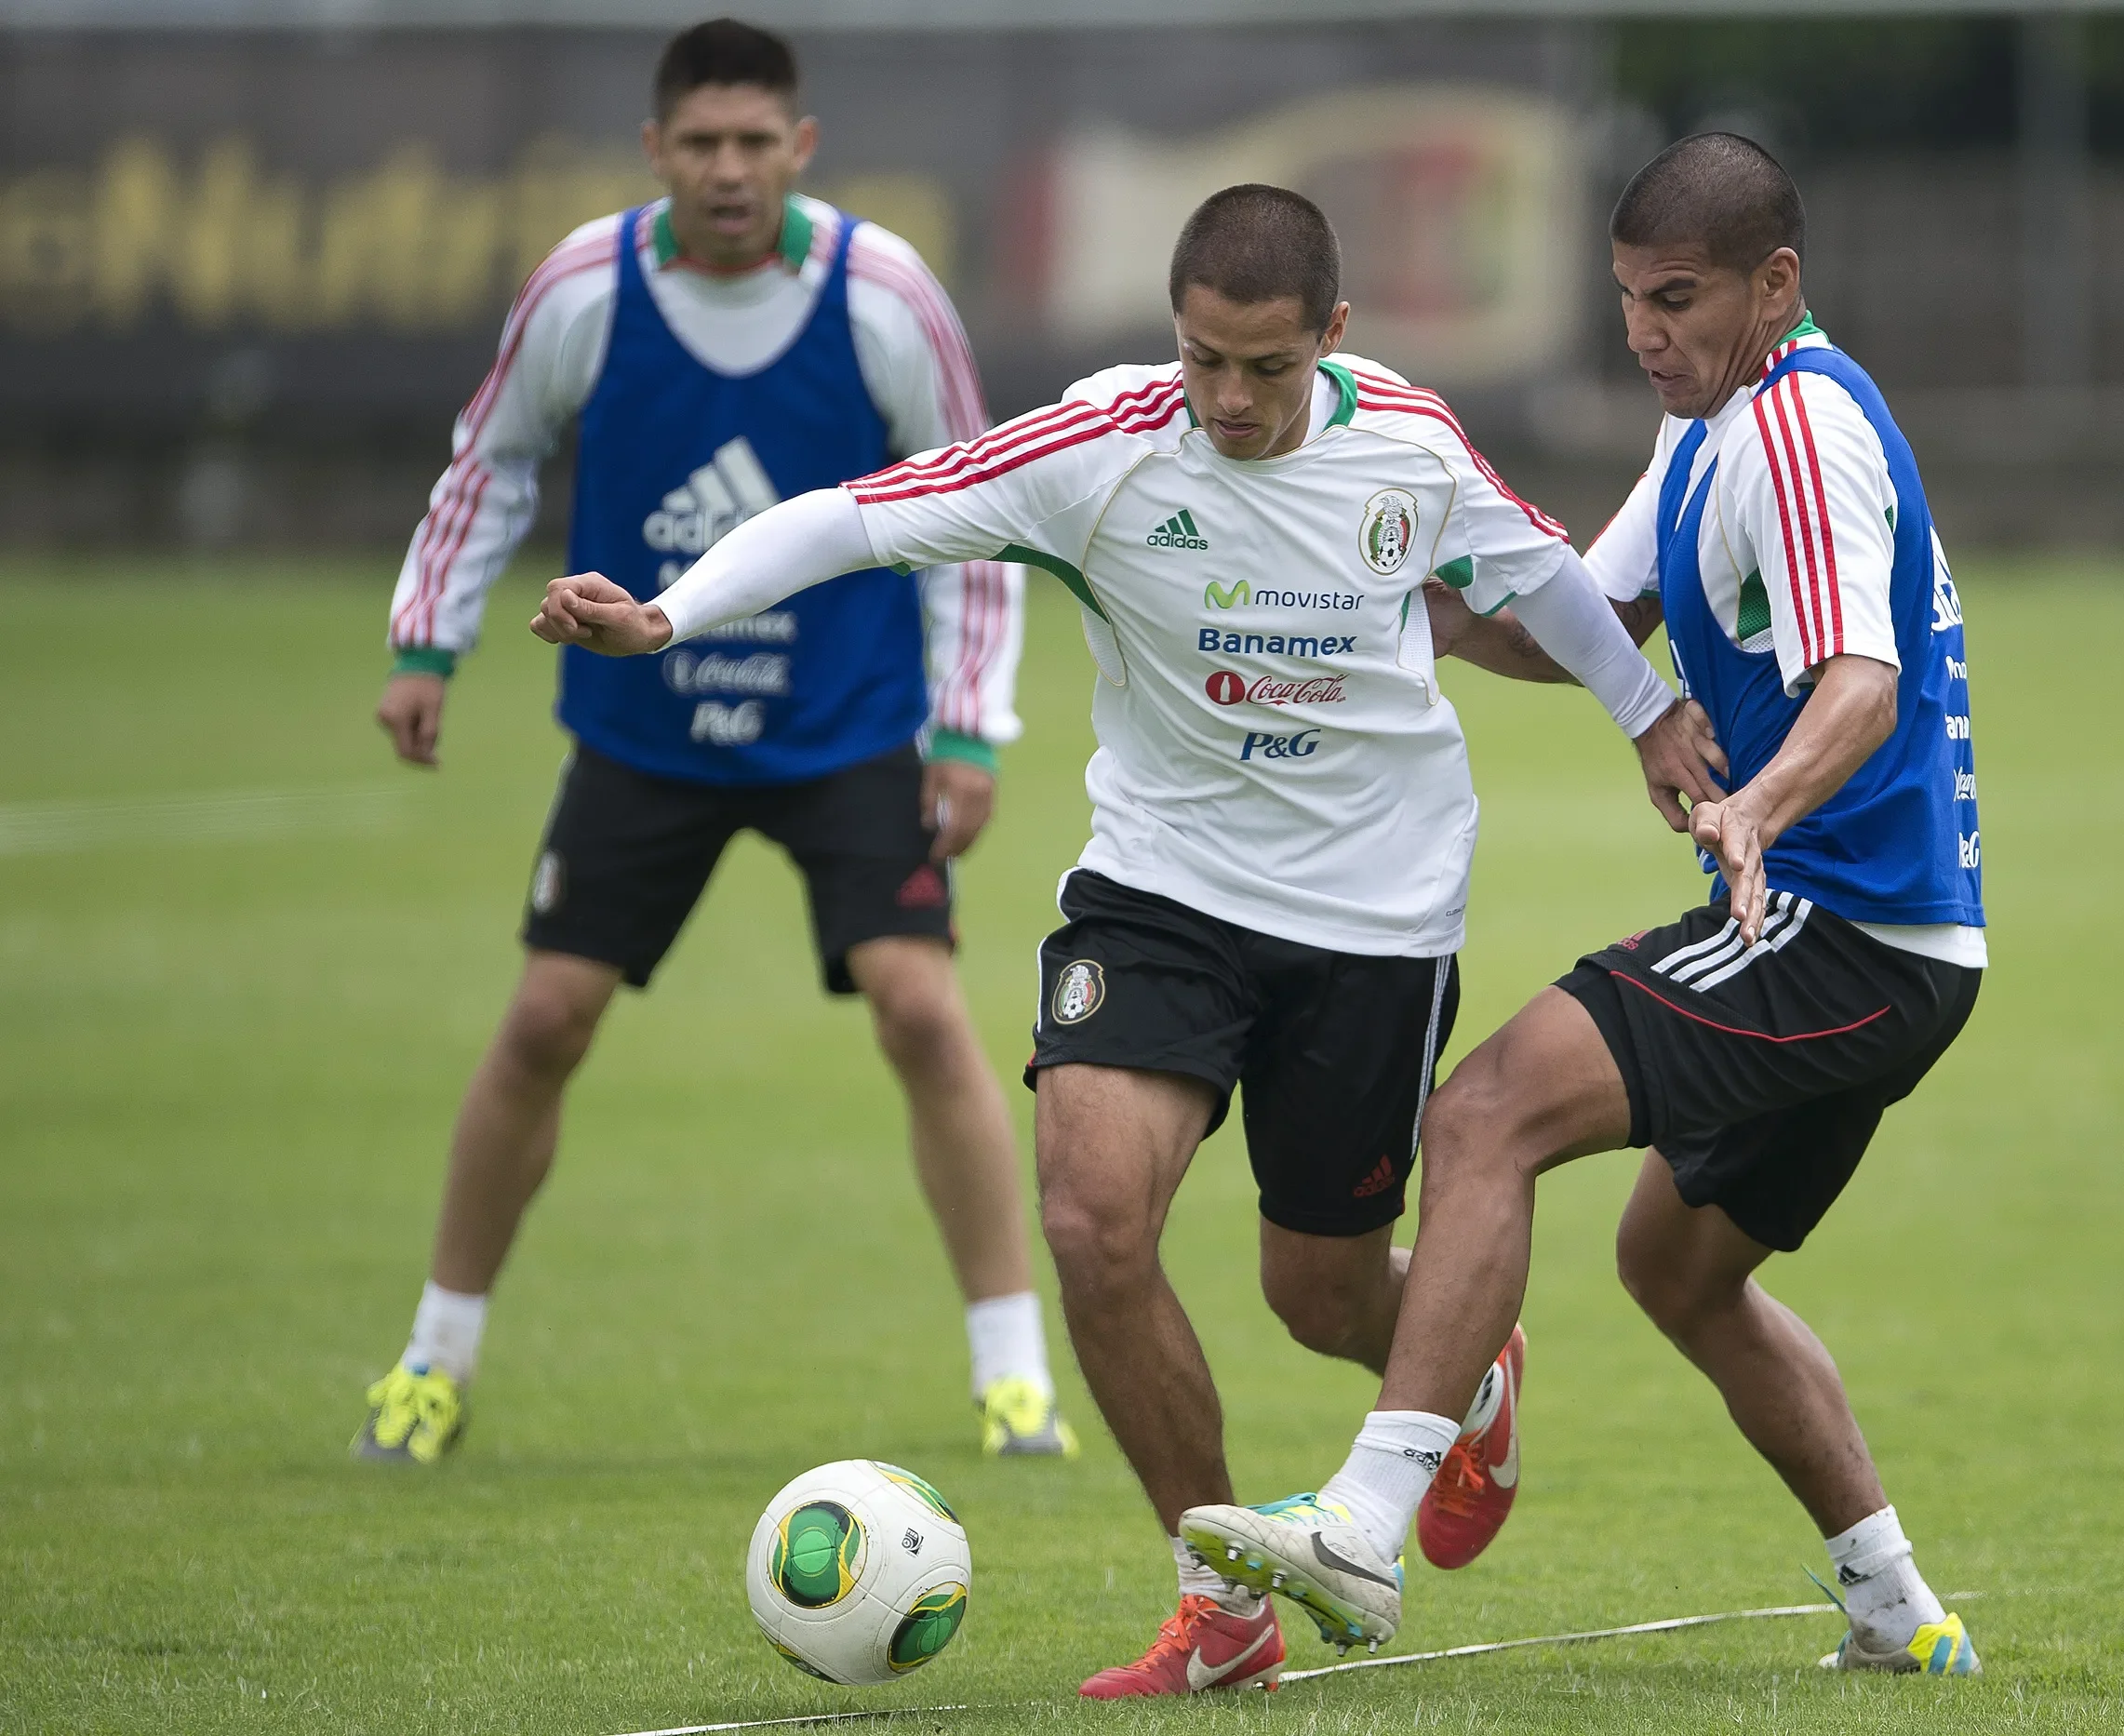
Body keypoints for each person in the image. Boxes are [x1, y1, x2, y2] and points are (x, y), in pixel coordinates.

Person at [529, 183, 1727, 1696]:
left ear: (1333, 339)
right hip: (1162, 891)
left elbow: (1545, 575)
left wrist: (1646, 721)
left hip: (1375, 916)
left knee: (1320, 1294)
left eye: (1267, 368)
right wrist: (672, 615)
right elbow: (852, 516)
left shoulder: (1412, 445)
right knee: (1096, 1224)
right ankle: (1218, 1608)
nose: (1227, 397)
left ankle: (1469, 1362)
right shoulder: (1099, 444)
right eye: (1202, 359)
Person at [1181, 134, 1989, 1678]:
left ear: (1776, 285)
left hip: (1847, 923)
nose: (1645, 334)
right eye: (1625, 300)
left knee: (1485, 1112)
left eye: (1676, 299)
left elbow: (1864, 685)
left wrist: (1755, 802)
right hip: (1894, 946)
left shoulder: (1800, 429)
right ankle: (1897, 1608)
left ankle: (1364, 1521)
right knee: (1675, 1267)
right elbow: (1566, 621)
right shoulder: (1712, 421)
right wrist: (1352, 587)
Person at [356, 19, 1072, 1468]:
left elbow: (980, 516)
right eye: (703, 144)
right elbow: (489, 459)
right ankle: (433, 1362)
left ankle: (1016, 1381)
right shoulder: (581, 286)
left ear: (799, 150)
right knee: (546, 1018)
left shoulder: (881, 292)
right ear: (656, 151)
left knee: (924, 1012)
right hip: (641, 731)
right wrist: (427, 641)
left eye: (756, 144)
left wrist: (970, 732)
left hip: (849, 727)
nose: (730, 170)